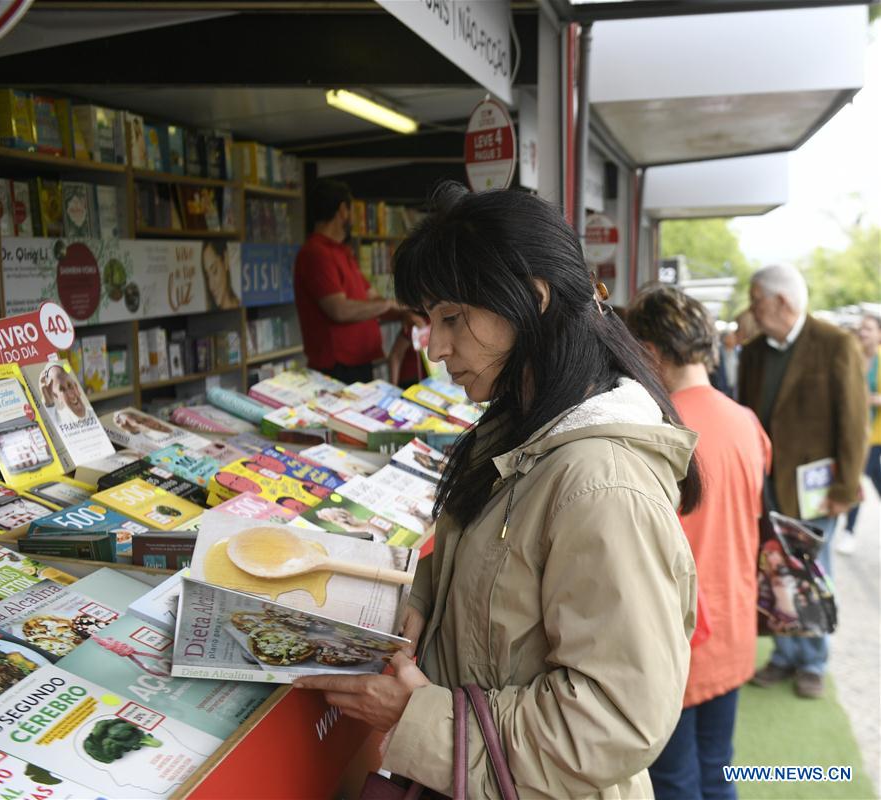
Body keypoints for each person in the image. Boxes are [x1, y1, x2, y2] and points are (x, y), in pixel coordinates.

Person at [294, 184, 701, 799]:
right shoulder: (521, 429)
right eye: (429, 320)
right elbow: (499, 573)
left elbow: (614, 721)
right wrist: (424, 598)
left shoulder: (601, 484)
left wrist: (419, 719)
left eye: (452, 318)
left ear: (533, 300)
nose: (435, 348)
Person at [627, 285, 771, 800]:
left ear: (650, 351)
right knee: (718, 768)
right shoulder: (746, 421)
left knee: (674, 781)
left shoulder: (654, 429)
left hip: (679, 637)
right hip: (733, 625)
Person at [739, 264, 868, 698]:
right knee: (776, 569)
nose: (751, 310)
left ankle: (812, 661)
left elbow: (853, 423)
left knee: (811, 572)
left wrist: (845, 489)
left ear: (781, 301)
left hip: (815, 487)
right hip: (766, 481)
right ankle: (784, 654)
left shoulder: (835, 343)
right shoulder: (754, 351)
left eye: (756, 301)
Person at [294, 179, 396, 384]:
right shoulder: (316, 253)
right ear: (343, 210)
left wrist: (406, 313)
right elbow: (339, 310)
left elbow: (372, 298)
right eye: (352, 211)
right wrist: (389, 304)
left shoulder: (342, 252)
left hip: (358, 362)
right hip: (338, 367)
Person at [837, 313, 881, 555]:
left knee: (864, 475)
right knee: (861, 477)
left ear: (879, 334)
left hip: (874, 435)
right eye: (862, 328)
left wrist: (875, 400)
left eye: (869, 328)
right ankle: (849, 531)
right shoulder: (851, 355)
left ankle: (849, 530)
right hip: (850, 432)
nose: (863, 332)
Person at [201, 240, 240, 310]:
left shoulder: (245, 307)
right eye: (207, 277)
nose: (211, 286)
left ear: (226, 259)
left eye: (214, 271)